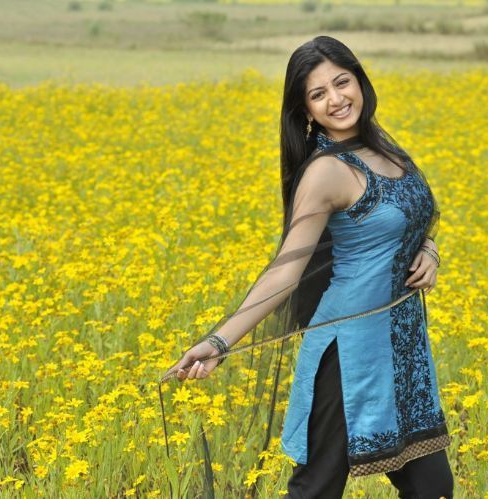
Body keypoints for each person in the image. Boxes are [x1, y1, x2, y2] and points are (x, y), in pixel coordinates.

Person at [164, 35, 454, 498]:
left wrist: (430, 251)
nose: (336, 99)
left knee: (432, 486)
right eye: (319, 94)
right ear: (306, 111)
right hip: (350, 352)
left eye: (342, 82)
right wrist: (219, 341)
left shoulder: (384, 149)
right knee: (316, 489)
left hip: (403, 348)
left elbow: (413, 219)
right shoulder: (326, 172)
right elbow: (286, 270)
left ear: (360, 80)